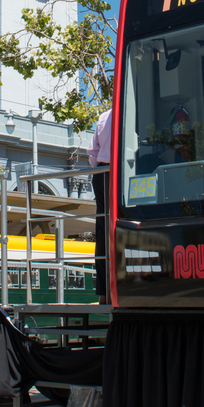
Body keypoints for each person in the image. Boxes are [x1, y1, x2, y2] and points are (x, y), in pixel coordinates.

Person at [86, 108, 112, 304]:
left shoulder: (104, 115)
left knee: (102, 232)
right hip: (117, 171)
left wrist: (99, 171)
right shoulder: (131, 109)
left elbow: (92, 152)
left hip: (102, 172)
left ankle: (104, 292)